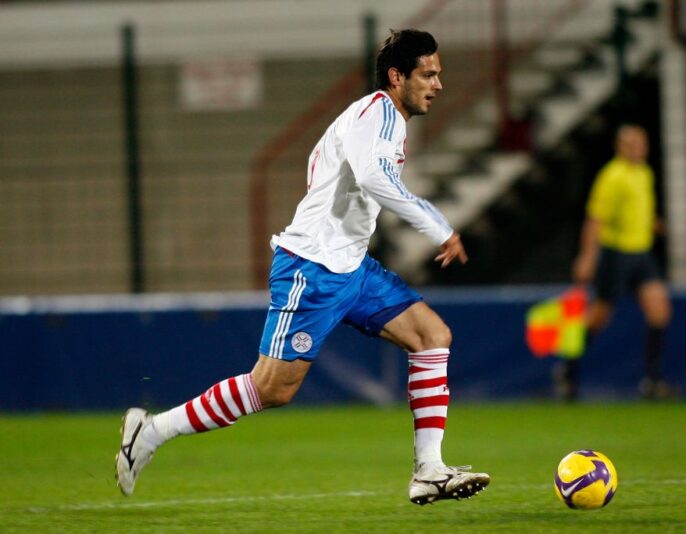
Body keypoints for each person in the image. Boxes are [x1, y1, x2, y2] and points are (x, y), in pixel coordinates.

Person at [115, 29, 490, 506]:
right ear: (397, 77)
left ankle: (430, 471)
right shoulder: (376, 114)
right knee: (271, 388)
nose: (437, 84)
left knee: (431, 336)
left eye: (439, 74)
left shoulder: (379, 118)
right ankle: (149, 432)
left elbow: (325, 166)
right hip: (312, 268)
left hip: (351, 266)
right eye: (428, 74)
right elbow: (374, 178)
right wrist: (437, 226)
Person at [561, 124, 672, 400]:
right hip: (616, 254)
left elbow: (638, 208)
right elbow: (595, 219)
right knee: (598, 319)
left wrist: (653, 223)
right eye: (633, 144)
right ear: (620, 147)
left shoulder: (644, 173)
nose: (639, 149)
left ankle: (652, 381)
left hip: (642, 253)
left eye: (642, 144)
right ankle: (568, 371)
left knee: (659, 311)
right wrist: (587, 257)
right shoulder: (612, 176)